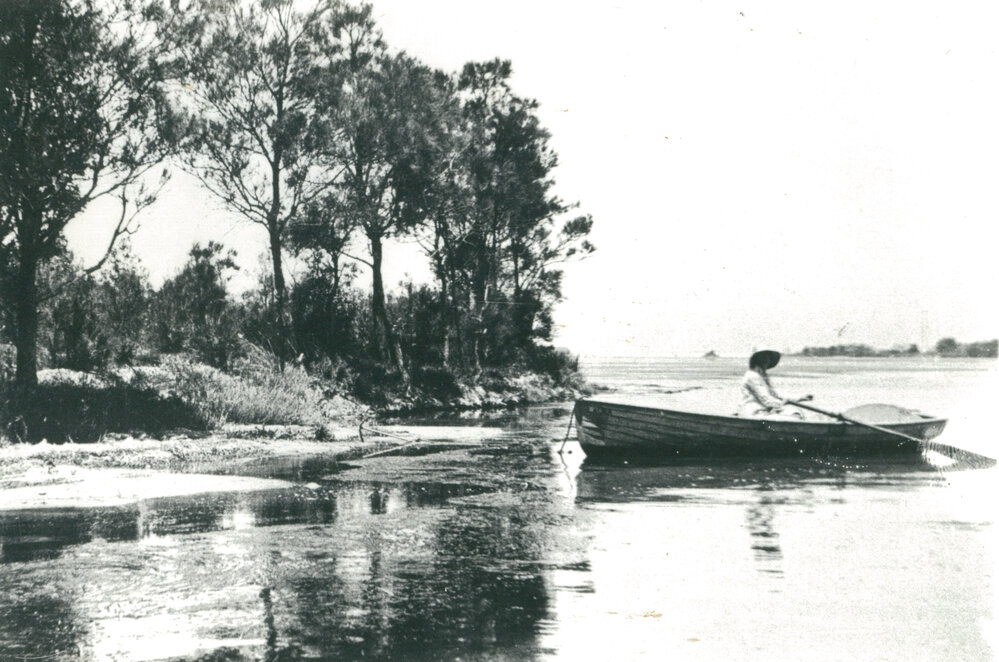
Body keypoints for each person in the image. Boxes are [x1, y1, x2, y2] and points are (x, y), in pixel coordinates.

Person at [737, 349, 810, 418]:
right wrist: (782, 403)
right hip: (753, 410)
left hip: (764, 409)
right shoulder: (753, 376)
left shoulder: (762, 376)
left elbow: (776, 395)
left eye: (768, 361)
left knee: (795, 413)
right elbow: (766, 400)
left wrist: (801, 397)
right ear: (759, 361)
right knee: (791, 416)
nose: (767, 363)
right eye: (765, 360)